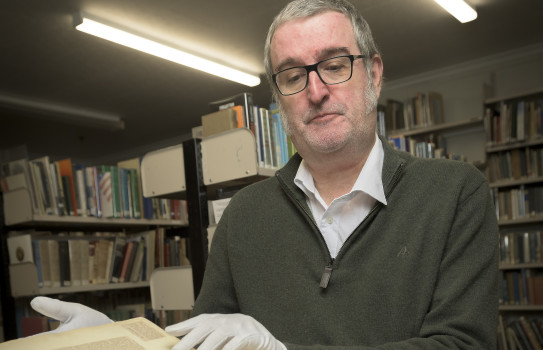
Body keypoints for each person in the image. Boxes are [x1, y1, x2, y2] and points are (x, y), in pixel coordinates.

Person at [31, 0, 499, 349]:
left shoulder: (455, 193)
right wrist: (122, 341)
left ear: (373, 75)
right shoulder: (244, 215)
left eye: (334, 66)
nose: (315, 90)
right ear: (278, 100)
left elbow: (461, 346)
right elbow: (205, 343)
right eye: (293, 76)